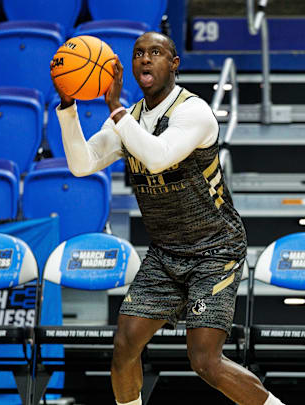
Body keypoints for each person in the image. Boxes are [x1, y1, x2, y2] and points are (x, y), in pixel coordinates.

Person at [54, 32, 286, 405]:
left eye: (156, 52)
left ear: (174, 65)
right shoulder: (128, 120)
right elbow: (82, 163)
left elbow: (159, 156)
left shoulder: (192, 111)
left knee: (205, 361)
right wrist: (68, 105)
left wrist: (115, 112)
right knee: (124, 345)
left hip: (215, 249)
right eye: (139, 54)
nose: (146, 59)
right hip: (166, 252)